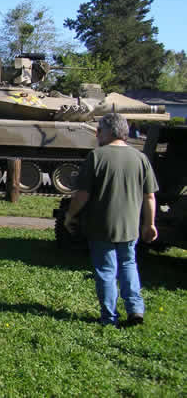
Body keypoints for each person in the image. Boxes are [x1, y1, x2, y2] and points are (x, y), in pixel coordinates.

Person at [64, 113, 158, 327]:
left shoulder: (96, 157)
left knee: (106, 271)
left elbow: (82, 195)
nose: (96, 134)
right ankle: (135, 309)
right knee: (128, 264)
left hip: (101, 227)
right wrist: (149, 224)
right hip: (130, 227)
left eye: (99, 130)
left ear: (107, 132)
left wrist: (70, 215)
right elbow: (149, 196)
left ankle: (109, 317)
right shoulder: (140, 158)